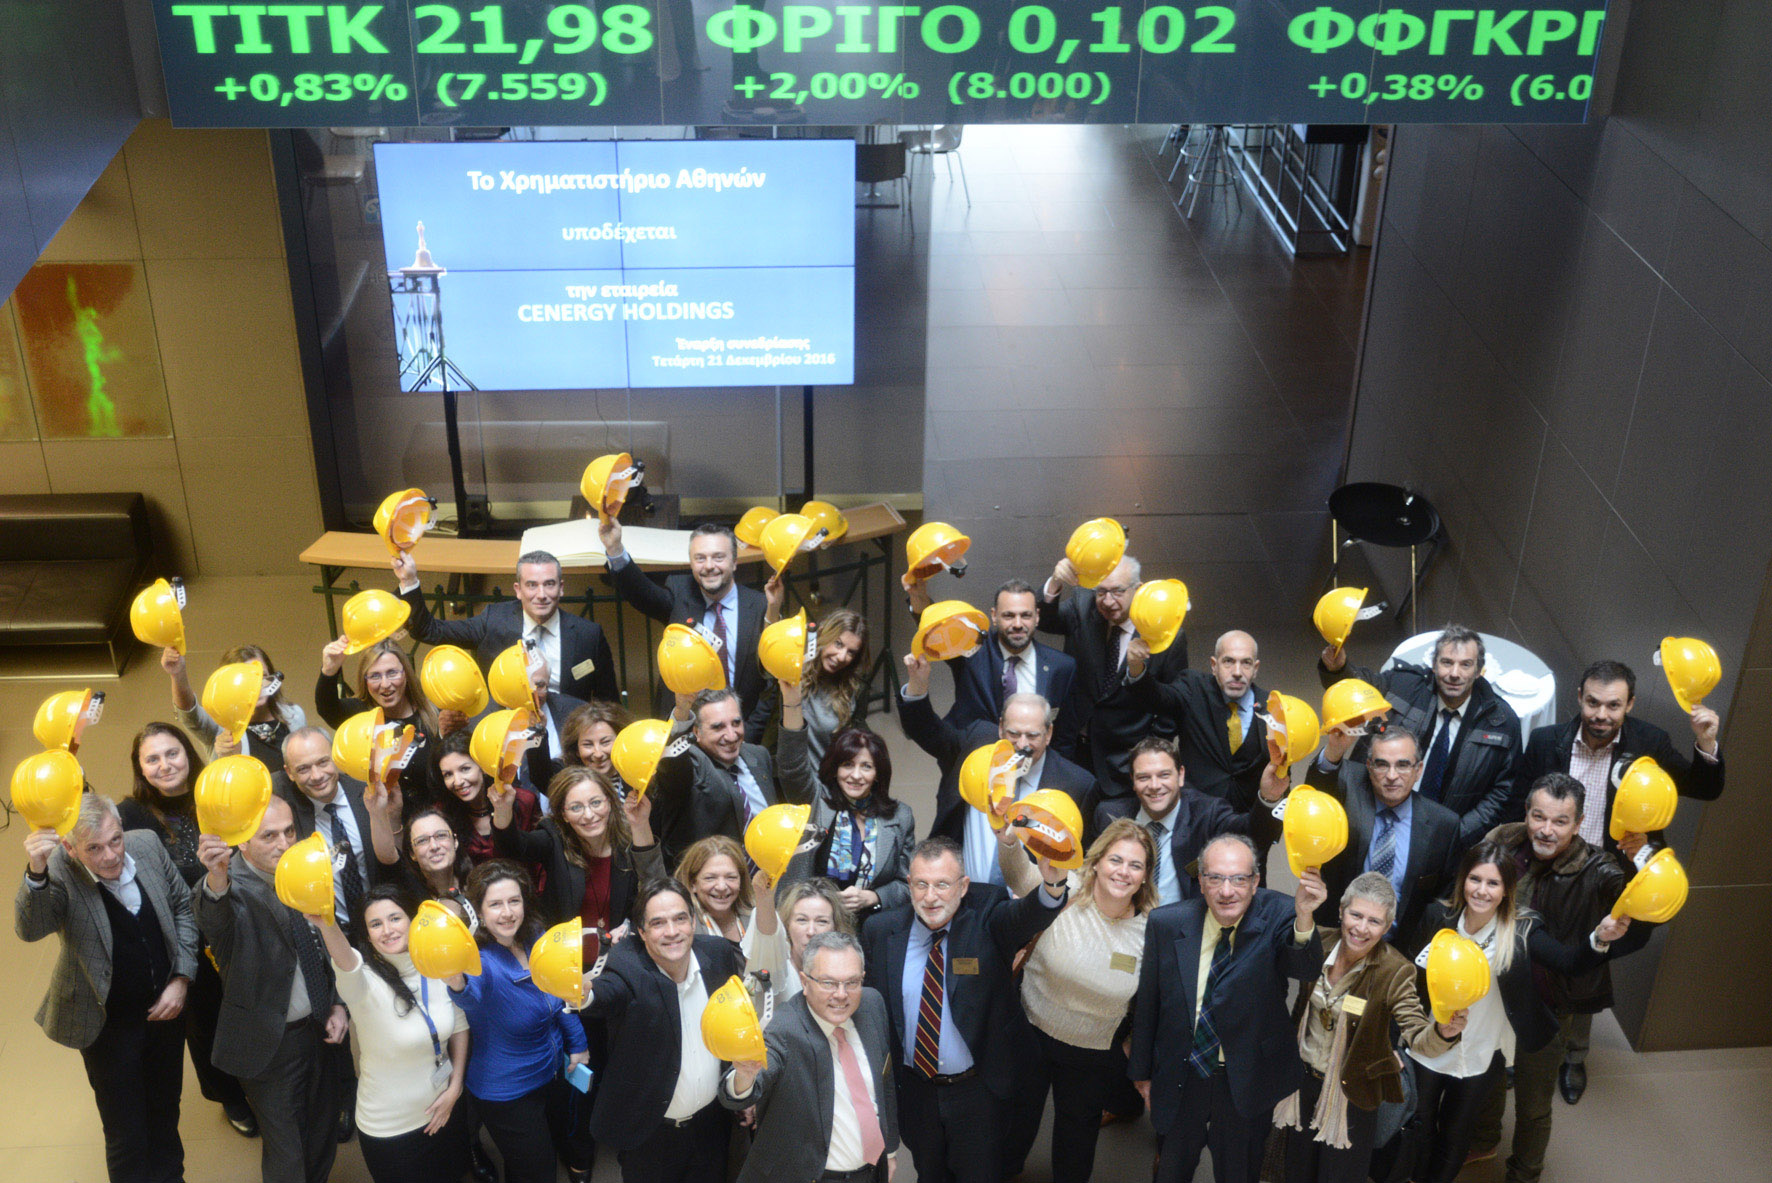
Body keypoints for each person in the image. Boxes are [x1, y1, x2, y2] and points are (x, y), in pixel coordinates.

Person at [1515, 661, 1720, 1106]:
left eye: (1613, 705)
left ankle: (1573, 1055)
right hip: (1547, 870)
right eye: (1592, 702)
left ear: (1630, 705)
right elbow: (1520, 804)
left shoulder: (1650, 742)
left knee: (1587, 963)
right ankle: (1528, 1042)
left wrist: (1706, 744)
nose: (1601, 714)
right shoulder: (1546, 741)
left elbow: (1703, 789)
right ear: (1578, 698)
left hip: (1604, 879)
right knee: (1533, 956)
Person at [1401, 837, 1631, 1183]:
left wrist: (1599, 937)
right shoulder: (1438, 917)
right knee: (1419, 1123)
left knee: (1455, 1131)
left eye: (1493, 883)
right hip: (1430, 1043)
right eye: (1475, 879)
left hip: (1481, 1051)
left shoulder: (1521, 929)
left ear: (1507, 889)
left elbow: (1569, 962)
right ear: (1463, 880)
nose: (1482, 890)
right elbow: (1409, 978)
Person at [1468, 774, 1654, 1179]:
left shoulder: (1597, 868)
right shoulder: (1501, 841)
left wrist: (1639, 861)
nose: (1546, 830)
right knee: (1488, 1074)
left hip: (1547, 1003)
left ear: (1579, 823)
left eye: (1560, 821)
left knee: (1534, 1104)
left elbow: (1642, 916)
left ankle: (1525, 1173)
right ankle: (1484, 1140)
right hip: (1491, 993)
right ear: (1527, 812)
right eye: (1539, 816)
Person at [860, 835, 1069, 1183]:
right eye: (921, 884)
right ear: (909, 885)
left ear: (963, 886)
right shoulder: (881, 932)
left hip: (977, 1092)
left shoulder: (987, 919)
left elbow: (1027, 915)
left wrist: (1052, 885)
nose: (930, 897)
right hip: (916, 1092)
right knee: (929, 1174)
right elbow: (872, 1010)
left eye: (942, 884)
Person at [17, 793, 199, 1183]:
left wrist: (181, 978)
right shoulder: (59, 870)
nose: (112, 855)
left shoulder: (146, 845)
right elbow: (31, 929)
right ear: (70, 848)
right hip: (107, 1025)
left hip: (166, 1012)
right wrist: (36, 871)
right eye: (94, 848)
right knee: (125, 1132)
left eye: (115, 839)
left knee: (166, 1111)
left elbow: (183, 906)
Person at [1128, 833, 1328, 1183]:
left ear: (1255, 882)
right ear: (1201, 881)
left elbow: (1305, 968)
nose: (1226, 891)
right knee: (1171, 1169)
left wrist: (1305, 917)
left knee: (1239, 1172)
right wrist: (1142, 1074)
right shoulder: (1166, 923)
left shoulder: (1282, 913)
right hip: (1183, 1073)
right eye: (1215, 878)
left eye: (1238, 879)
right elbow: (1148, 1003)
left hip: (1245, 1077)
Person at [195, 795, 350, 1183]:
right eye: (269, 836)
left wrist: (336, 1003)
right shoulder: (229, 886)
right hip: (271, 1044)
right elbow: (213, 918)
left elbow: (324, 945)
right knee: (287, 1150)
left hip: (320, 1027)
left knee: (322, 1130)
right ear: (243, 842)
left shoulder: (304, 871)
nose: (284, 843)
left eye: (289, 831)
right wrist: (216, 876)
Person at [1274, 872, 1465, 1183]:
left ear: (1387, 927)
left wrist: (1444, 1032)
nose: (1362, 928)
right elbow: (1290, 962)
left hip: (1351, 1094)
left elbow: (1417, 1035)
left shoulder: (1395, 970)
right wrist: (1304, 914)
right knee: (1297, 1172)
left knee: (1339, 1177)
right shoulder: (1319, 941)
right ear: (1341, 911)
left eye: (1374, 921)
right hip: (1302, 1083)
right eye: (1356, 915)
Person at [997, 818, 1158, 1183]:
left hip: (1093, 1051)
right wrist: (1008, 841)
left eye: (1135, 865)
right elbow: (1018, 875)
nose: (1123, 872)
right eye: (1116, 860)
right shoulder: (1064, 889)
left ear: (1145, 876)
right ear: (1097, 862)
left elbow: (1154, 1001)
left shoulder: (1152, 929)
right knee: (1015, 1125)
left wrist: (1136, 1048)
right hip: (1031, 1032)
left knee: (1076, 1140)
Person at [116, 722, 257, 1136]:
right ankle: (228, 1095)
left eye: (172, 753)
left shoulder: (216, 791)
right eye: (152, 759)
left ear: (188, 754)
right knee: (205, 1023)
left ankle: (267, 1079)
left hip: (238, 922)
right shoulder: (130, 816)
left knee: (256, 1006)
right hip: (185, 939)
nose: (164, 765)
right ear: (140, 768)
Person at [580, 878, 747, 1182]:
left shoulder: (719, 953)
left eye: (680, 919)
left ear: (693, 921)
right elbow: (606, 993)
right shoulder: (626, 964)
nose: (672, 932)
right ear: (641, 932)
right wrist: (583, 994)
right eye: (658, 923)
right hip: (650, 1134)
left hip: (711, 1126)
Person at [305, 885, 470, 1183]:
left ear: (413, 921)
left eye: (395, 918)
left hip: (446, 1107)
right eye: (375, 924)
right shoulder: (363, 983)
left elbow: (458, 1026)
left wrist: (455, 1086)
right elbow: (347, 964)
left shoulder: (436, 964)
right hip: (392, 1128)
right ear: (367, 935)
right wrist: (327, 924)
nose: (387, 930)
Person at [444, 860, 591, 1183]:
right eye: (495, 904)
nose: (507, 912)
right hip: (506, 1091)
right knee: (538, 1173)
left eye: (514, 901)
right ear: (479, 912)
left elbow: (560, 998)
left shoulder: (536, 937)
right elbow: (468, 994)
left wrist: (578, 1044)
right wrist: (455, 979)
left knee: (525, 1164)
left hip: (549, 1071)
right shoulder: (478, 961)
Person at [720, 931, 902, 1183]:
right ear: (805, 982)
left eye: (852, 982)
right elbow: (745, 1089)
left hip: (871, 1172)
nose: (841, 994)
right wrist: (744, 1076)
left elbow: (885, 1083)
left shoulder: (872, 1005)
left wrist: (890, 1150)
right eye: (828, 983)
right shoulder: (785, 1028)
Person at [900, 652, 1093, 887]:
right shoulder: (977, 741)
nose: (1022, 745)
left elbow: (1079, 864)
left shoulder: (1076, 784)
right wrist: (917, 685)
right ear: (1000, 728)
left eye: (1032, 735)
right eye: (1014, 734)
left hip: (1028, 902)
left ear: (1049, 733)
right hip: (961, 896)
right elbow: (929, 733)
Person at [1321, 623, 1521, 845]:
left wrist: (1456, 834)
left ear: (1478, 671)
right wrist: (1339, 669)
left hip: (1443, 836)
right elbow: (1358, 689)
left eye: (1465, 665)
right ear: (1434, 664)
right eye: (1447, 662)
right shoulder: (1402, 685)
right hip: (1374, 816)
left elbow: (1503, 792)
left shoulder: (1501, 723)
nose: (1454, 674)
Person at [599, 516, 770, 735]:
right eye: (700, 558)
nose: (709, 566)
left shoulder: (759, 606)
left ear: (734, 562)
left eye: (718, 557)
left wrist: (749, 734)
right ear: (691, 563)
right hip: (685, 731)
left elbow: (770, 683)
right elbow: (642, 593)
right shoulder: (680, 592)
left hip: (741, 733)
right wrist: (615, 549)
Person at [1039, 550, 1189, 797]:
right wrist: (1055, 583)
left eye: (1118, 592)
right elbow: (1045, 621)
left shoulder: (1167, 635)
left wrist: (1145, 753)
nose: (1108, 601)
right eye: (1101, 592)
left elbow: (1173, 706)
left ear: (1138, 589)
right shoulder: (1082, 605)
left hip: (1124, 763)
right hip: (1070, 751)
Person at [395, 547, 620, 702]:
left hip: (568, 740)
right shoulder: (494, 620)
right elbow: (429, 630)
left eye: (549, 584)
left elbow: (609, 703)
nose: (541, 594)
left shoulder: (588, 635)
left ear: (561, 588)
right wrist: (410, 581)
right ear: (518, 590)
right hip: (505, 737)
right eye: (532, 585)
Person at [1303, 725, 1462, 939]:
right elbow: (1317, 790)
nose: (1392, 775)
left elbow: (1442, 900)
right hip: (1335, 934)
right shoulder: (1348, 788)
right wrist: (1334, 751)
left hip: (1398, 947)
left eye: (1403, 765)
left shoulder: (1443, 824)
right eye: (1382, 765)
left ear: (1419, 770)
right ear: (1369, 766)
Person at [778, 675, 915, 919]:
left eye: (866, 766)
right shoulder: (816, 800)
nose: (856, 775)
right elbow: (792, 765)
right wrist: (792, 703)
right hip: (810, 923)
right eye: (847, 764)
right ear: (835, 768)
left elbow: (907, 885)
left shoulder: (900, 817)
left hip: (868, 926)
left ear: (878, 773)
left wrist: (873, 897)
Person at [1092, 736, 1279, 907]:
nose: (1154, 785)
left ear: (1181, 775)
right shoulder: (1109, 816)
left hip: (1183, 927)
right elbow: (1089, 875)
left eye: (1164, 775)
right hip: (1123, 921)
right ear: (1133, 780)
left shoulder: (1206, 813)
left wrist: (1268, 798)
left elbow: (1252, 839)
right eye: (1144, 777)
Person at [907, 576, 1080, 758]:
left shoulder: (1061, 667)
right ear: (994, 616)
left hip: (1032, 764)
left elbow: (1064, 738)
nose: (1018, 624)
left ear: (1037, 617)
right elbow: (938, 628)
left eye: (1026, 615)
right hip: (972, 759)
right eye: (1008, 615)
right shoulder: (971, 649)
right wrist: (919, 597)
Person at [650, 687, 804, 864]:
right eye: (718, 727)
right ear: (696, 732)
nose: (731, 736)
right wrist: (682, 713)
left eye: (736, 723)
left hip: (769, 873)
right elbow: (673, 768)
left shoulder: (759, 756)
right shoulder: (691, 764)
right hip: (712, 877)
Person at [1126, 629, 1271, 810]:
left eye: (1246, 663)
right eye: (1228, 661)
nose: (1237, 672)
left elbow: (1280, 773)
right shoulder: (1193, 688)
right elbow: (1158, 697)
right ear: (1214, 665)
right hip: (1196, 815)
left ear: (1255, 669)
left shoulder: (1273, 706)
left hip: (1249, 817)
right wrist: (1136, 667)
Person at [274, 727, 379, 930]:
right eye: (303, 769)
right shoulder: (286, 814)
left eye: (323, 762)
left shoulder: (367, 794)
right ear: (289, 773)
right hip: (328, 932)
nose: (316, 776)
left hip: (380, 925)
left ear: (335, 758)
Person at [164, 641, 307, 763]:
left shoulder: (294, 715)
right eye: (246, 679)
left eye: (262, 676)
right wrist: (177, 673)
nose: (257, 685)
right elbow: (189, 712)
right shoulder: (219, 725)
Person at [428, 729, 542, 868]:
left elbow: (539, 862)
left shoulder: (524, 801)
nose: (457, 782)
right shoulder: (441, 814)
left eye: (465, 769)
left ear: (483, 766)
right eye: (448, 774)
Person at [784, 606, 875, 767]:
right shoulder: (791, 670)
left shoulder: (854, 690)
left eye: (851, 652)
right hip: (787, 773)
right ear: (823, 634)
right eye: (838, 644)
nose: (841, 657)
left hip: (826, 776)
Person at [750, 876, 855, 1008]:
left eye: (822, 921)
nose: (811, 931)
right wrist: (765, 899)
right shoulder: (776, 965)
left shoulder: (844, 971)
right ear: (787, 924)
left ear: (835, 928)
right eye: (802, 920)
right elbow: (766, 937)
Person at [675, 835, 759, 952]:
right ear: (693, 883)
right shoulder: (684, 929)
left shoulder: (757, 920)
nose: (721, 887)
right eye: (710, 878)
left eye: (731, 877)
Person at [562, 699, 637, 792]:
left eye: (605, 742)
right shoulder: (568, 788)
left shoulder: (641, 780)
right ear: (576, 749)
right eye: (588, 745)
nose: (598, 754)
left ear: (621, 741)